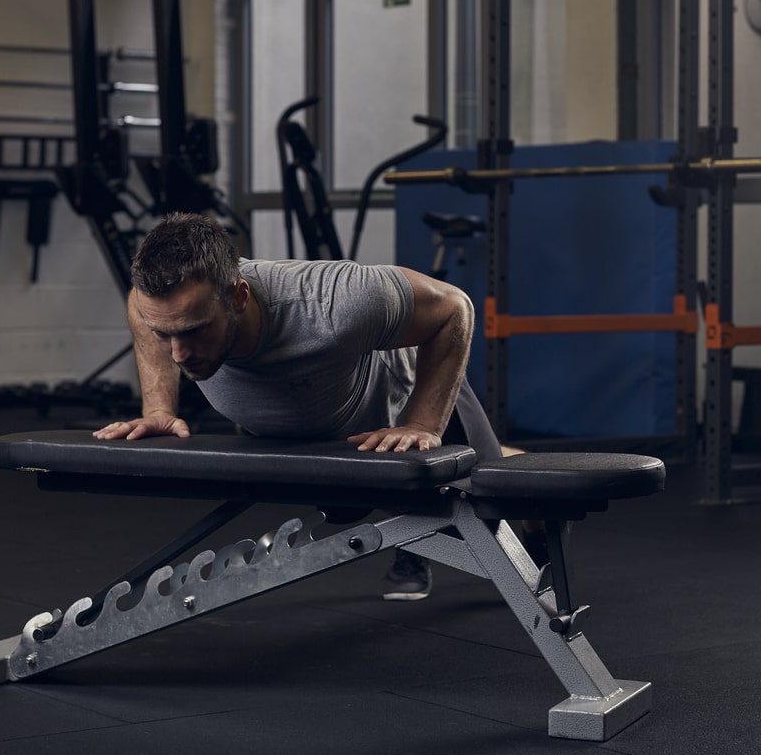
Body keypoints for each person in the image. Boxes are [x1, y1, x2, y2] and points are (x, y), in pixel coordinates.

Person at [94, 212, 543, 599]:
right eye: (164, 332)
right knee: (359, 505)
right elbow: (142, 312)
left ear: (240, 297)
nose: (178, 353)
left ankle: (530, 501)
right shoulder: (153, 303)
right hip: (316, 426)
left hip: (400, 405)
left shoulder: (337, 301)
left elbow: (455, 309)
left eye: (193, 330)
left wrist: (423, 422)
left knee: (483, 504)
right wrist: (158, 409)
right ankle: (418, 521)